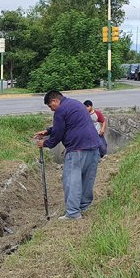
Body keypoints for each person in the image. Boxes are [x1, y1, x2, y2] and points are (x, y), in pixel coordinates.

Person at [35, 90, 101, 220]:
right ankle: (84, 205)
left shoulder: (60, 110)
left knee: (72, 180)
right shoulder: (76, 104)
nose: (51, 110)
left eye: (50, 106)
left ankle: (73, 213)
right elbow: (70, 124)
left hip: (77, 149)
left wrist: (46, 143)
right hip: (93, 147)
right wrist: (48, 131)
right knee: (87, 178)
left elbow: (59, 133)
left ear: (55, 101)